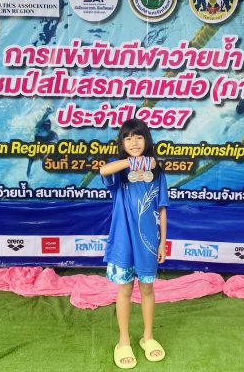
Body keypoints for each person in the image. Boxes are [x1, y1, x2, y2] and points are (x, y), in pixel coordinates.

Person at [100, 118, 169, 369]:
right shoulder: (119, 171)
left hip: (148, 241)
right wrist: (133, 162)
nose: (134, 142)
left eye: (139, 137)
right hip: (122, 240)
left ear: (147, 140)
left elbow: (162, 208)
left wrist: (163, 242)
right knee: (125, 290)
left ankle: (148, 337)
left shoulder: (157, 173)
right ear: (122, 144)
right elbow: (103, 171)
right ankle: (124, 341)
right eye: (128, 138)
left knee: (147, 288)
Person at [27, 107, 58, 177]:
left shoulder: (52, 133)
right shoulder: (39, 128)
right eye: (46, 125)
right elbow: (42, 120)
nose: (48, 127)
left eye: (49, 125)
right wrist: (47, 113)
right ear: (44, 125)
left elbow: (56, 141)